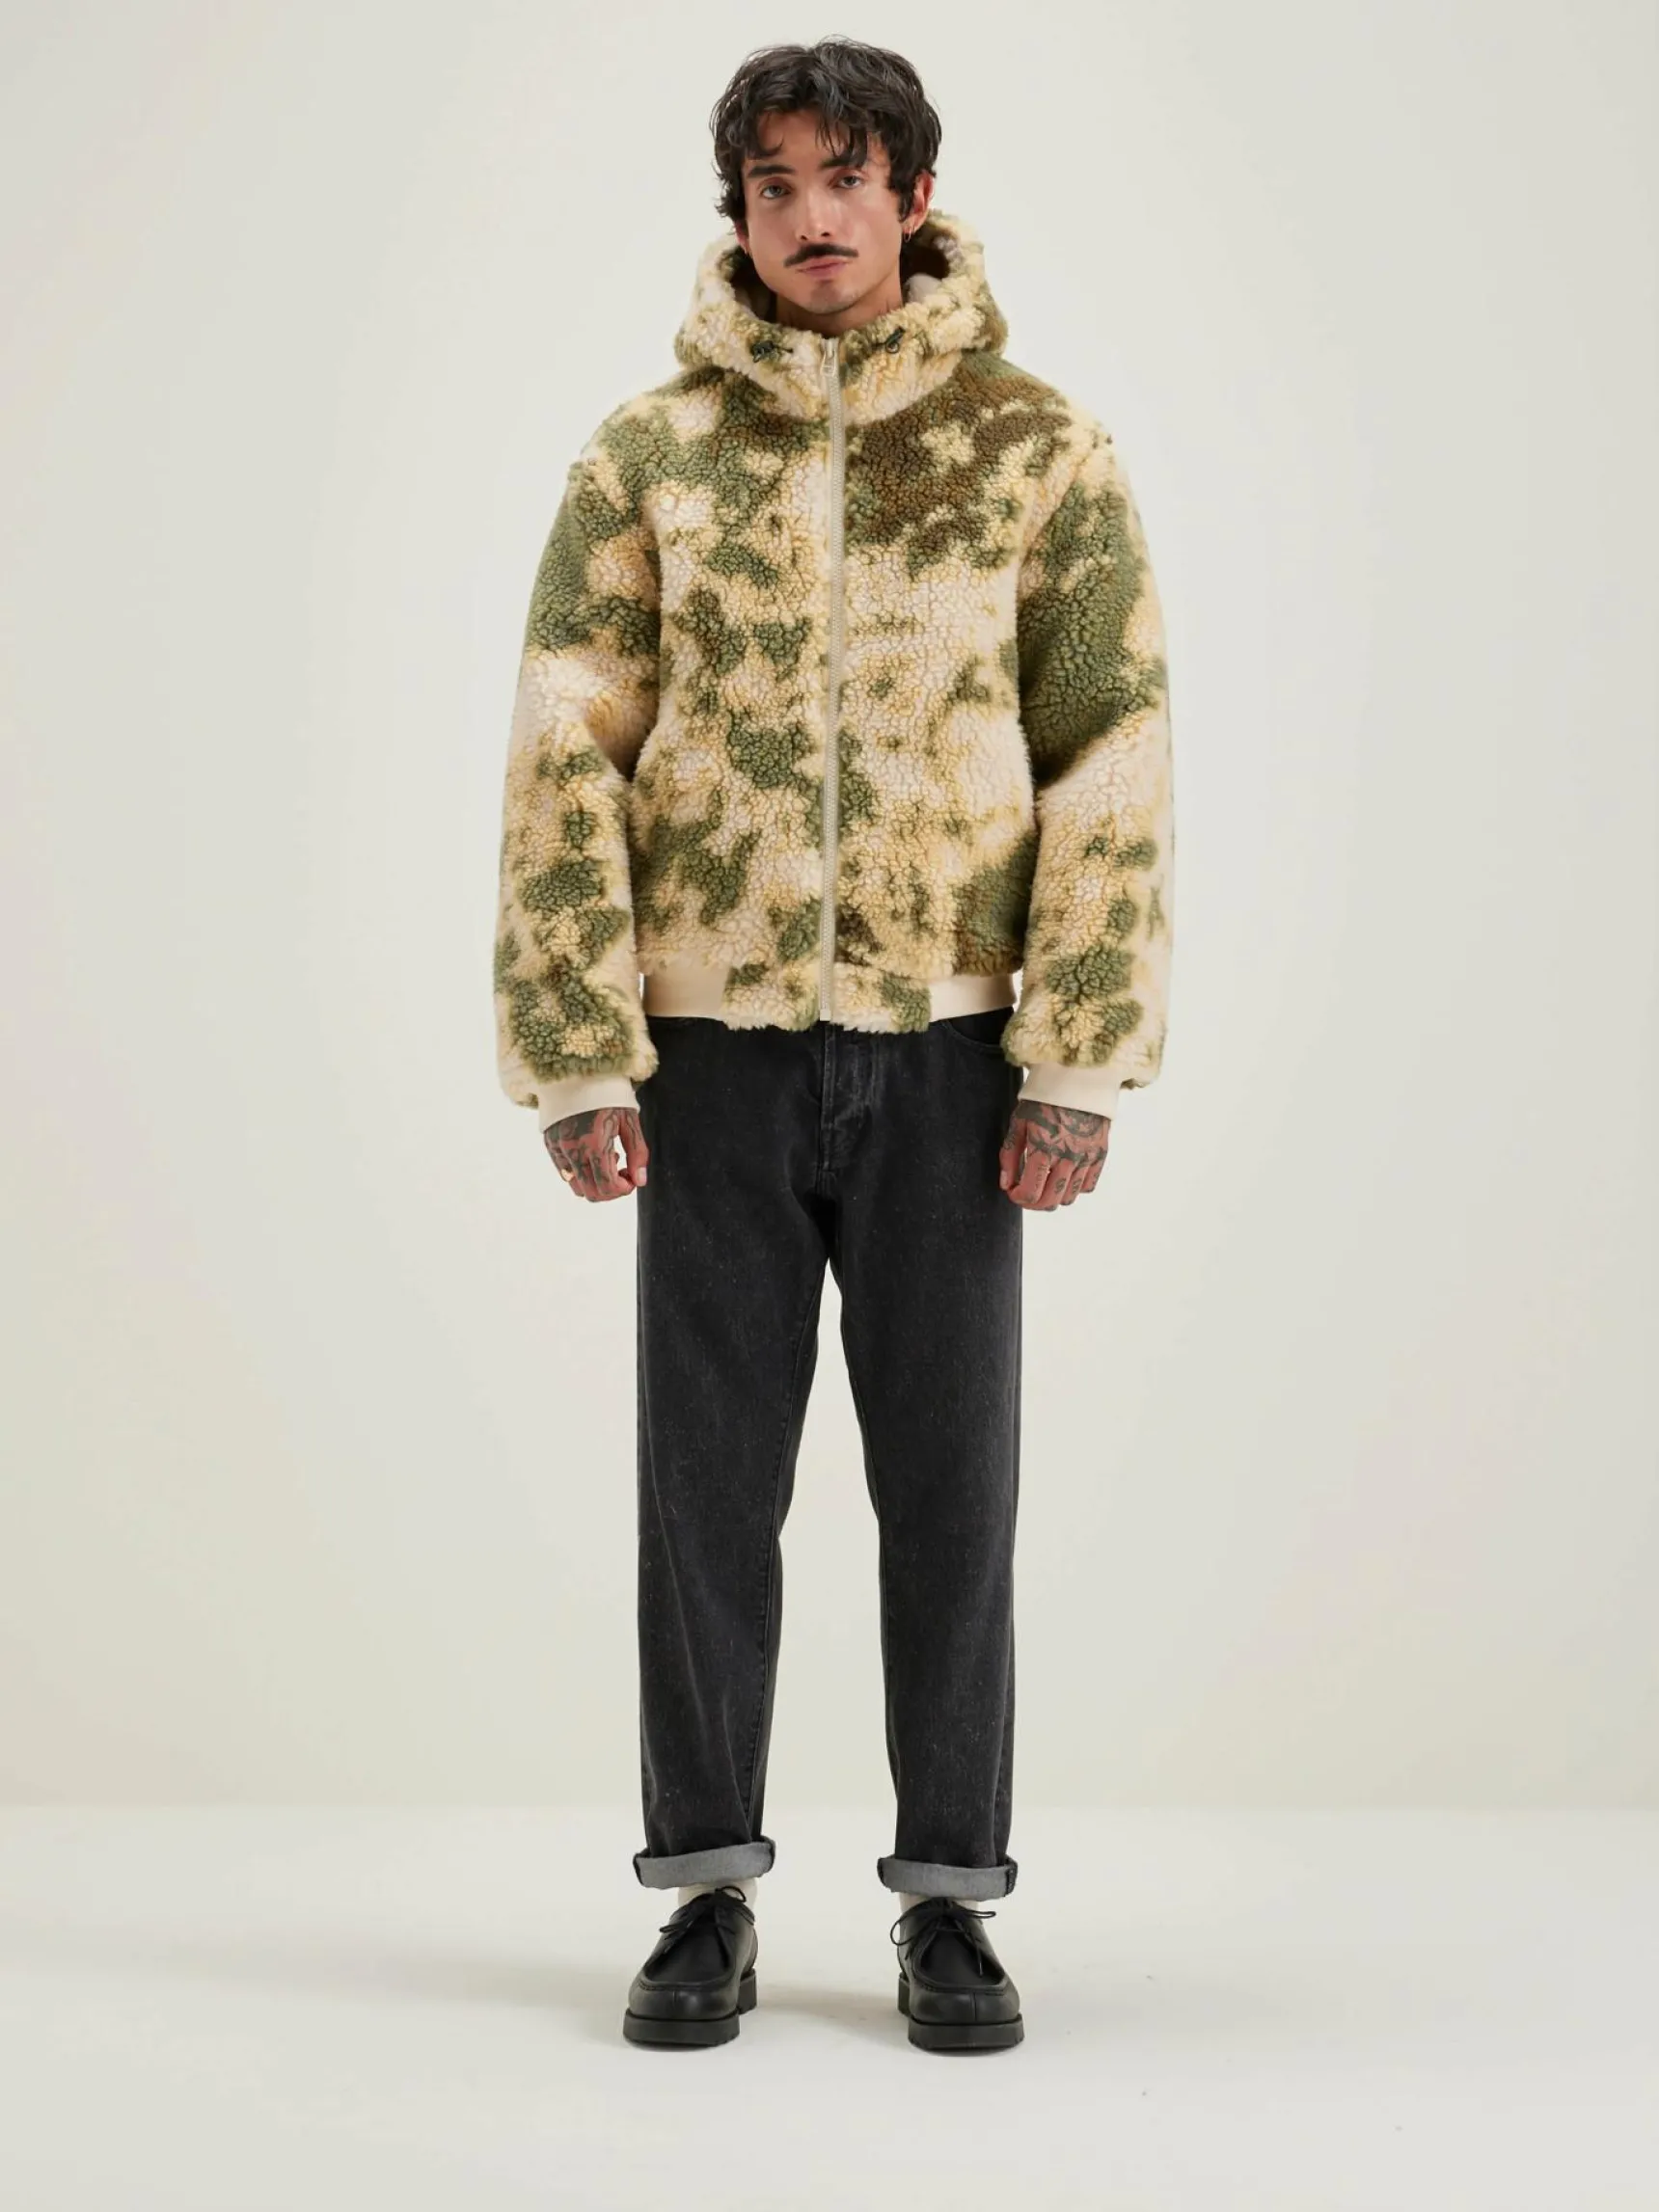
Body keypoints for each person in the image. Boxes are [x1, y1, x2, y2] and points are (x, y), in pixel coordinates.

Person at [492, 38, 1174, 2053]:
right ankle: (701, 1892)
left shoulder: (1037, 449)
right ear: (738, 208)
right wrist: (577, 1049)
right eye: (774, 182)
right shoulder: (647, 456)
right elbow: (564, 746)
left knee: (952, 1494)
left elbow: (1110, 750)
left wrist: (1076, 1058)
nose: (810, 216)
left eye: (844, 178)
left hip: (952, 1062)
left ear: (912, 195)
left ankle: (951, 1902)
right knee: (703, 1493)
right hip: (707, 1060)